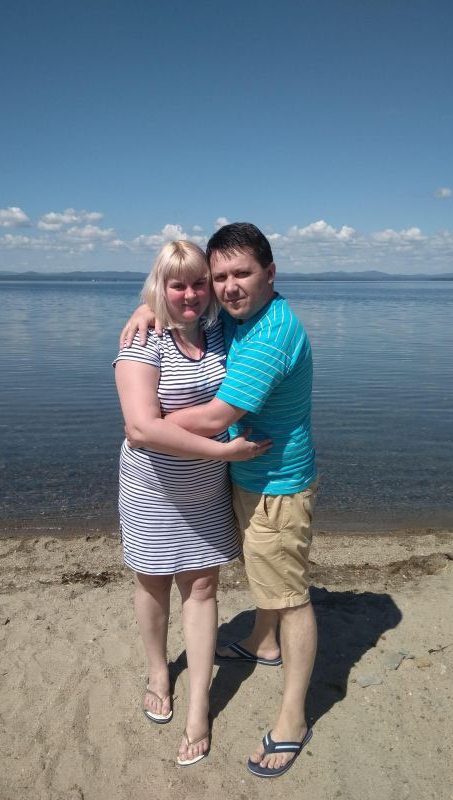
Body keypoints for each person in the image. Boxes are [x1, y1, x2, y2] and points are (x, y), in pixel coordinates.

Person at [120, 222, 318, 778]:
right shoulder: (229, 320)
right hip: (221, 478)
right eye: (219, 276)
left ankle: (292, 719)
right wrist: (148, 308)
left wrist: (151, 425)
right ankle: (260, 642)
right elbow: (178, 305)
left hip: (274, 480)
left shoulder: (270, 333)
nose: (227, 287)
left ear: (270, 274)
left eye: (241, 274)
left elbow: (217, 417)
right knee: (181, 579)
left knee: (289, 594)